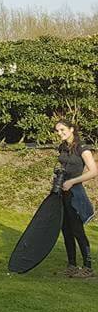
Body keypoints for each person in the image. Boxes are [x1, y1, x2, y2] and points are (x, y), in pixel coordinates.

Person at [55, 119, 95, 278]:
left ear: (71, 129)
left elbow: (93, 171)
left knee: (77, 230)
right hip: (62, 193)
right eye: (57, 131)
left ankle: (88, 267)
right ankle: (72, 265)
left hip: (75, 194)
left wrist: (72, 181)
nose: (60, 133)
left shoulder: (82, 148)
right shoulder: (63, 147)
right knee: (65, 229)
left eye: (62, 130)